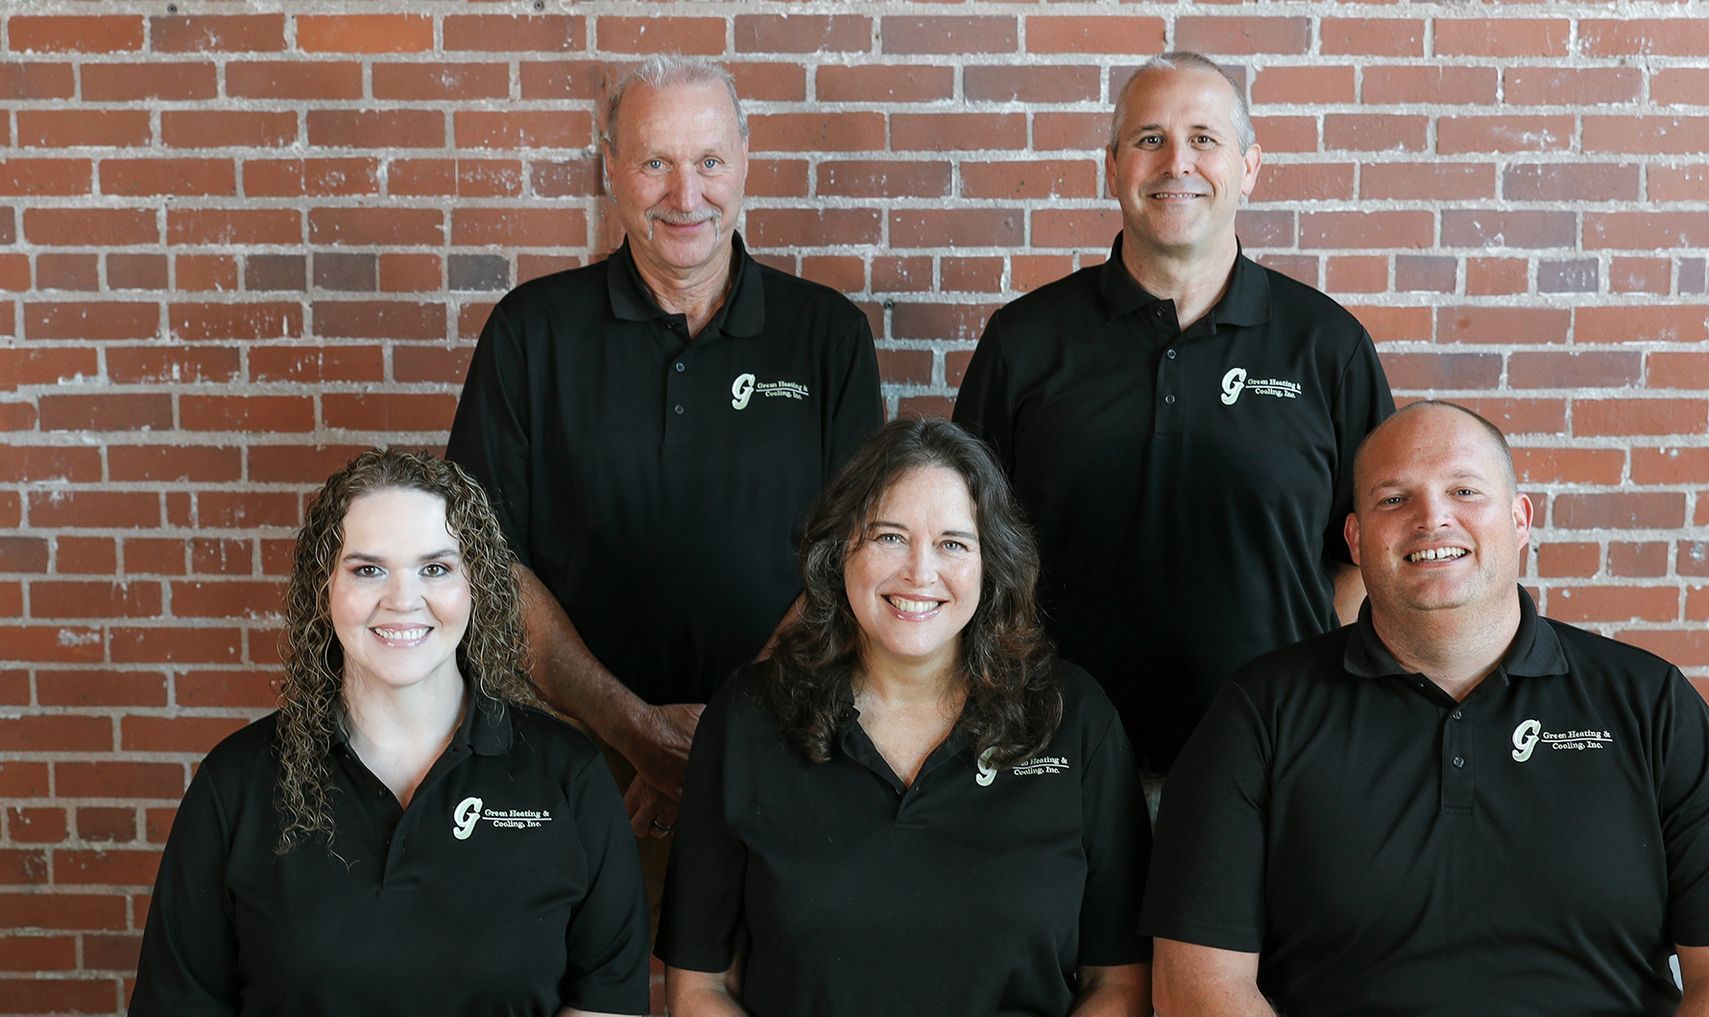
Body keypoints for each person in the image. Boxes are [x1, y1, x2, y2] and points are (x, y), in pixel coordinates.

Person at [1143, 402, 1709, 1017]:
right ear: (1356, 536)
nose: (1432, 518)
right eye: (1394, 498)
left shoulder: (1651, 705)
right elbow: (1198, 985)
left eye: (1464, 490)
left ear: (1519, 520)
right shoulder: (1260, 713)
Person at [446, 54, 883, 842]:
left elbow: (858, 556)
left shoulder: (828, 337)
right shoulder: (529, 334)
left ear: (744, 162)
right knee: (589, 968)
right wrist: (635, 731)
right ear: (609, 168)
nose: (687, 196)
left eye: (709, 160)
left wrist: (725, 738)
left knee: (768, 970)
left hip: (785, 756)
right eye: (655, 163)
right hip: (577, 769)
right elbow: (485, 561)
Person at [954, 51, 1394, 776]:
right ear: (1112, 164)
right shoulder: (1025, 341)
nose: (1176, 163)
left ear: (1248, 167)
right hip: (1060, 756)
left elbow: (1369, 553)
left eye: (1204, 139)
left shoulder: (1327, 346)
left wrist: (1310, 680)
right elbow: (961, 542)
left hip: (1272, 761)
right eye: (1150, 139)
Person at [656, 418, 1152, 1016]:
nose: (920, 572)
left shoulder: (1074, 718)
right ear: (840, 548)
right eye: (890, 536)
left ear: (990, 562)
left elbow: (1119, 984)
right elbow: (700, 988)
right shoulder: (748, 718)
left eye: (952, 543)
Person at [129, 450, 647, 1016]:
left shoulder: (569, 777)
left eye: (435, 567)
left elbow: (608, 1003)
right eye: (368, 569)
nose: (402, 600)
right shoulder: (236, 784)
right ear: (324, 590)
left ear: (477, 586)